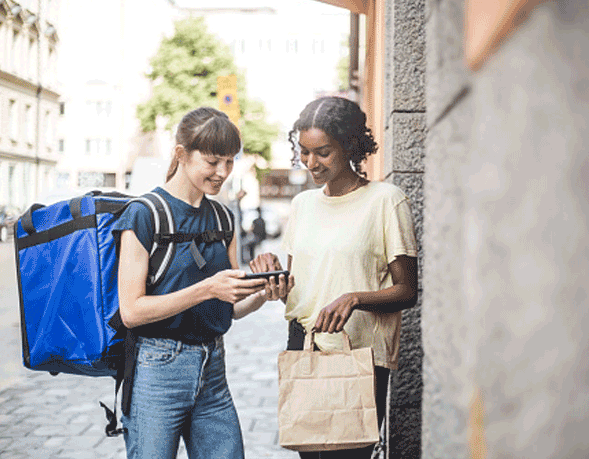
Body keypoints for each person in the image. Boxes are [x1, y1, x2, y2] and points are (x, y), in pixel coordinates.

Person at [115, 106, 293, 459]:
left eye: (229, 161)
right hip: (157, 370)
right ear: (181, 154)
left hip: (212, 368)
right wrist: (208, 288)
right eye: (213, 161)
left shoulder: (223, 217)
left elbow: (230, 308)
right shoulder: (144, 214)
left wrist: (262, 291)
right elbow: (132, 311)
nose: (223, 172)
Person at [251, 96, 418, 459]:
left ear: (351, 146)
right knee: (310, 454)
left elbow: (407, 291)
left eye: (323, 152)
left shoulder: (386, 201)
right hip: (305, 344)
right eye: (304, 152)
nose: (311, 163)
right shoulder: (303, 205)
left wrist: (354, 298)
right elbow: (297, 283)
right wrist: (273, 277)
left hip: (358, 355)